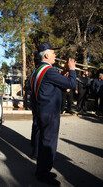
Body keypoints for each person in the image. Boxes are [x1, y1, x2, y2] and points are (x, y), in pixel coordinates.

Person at [30, 42, 76, 186]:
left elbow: (48, 88)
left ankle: (41, 170)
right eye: (53, 53)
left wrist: (62, 74)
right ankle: (44, 173)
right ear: (47, 55)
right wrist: (72, 70)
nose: (55, 55)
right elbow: (71, 84)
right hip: (50, 113)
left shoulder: (37, 70)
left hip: (42, 111)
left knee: (44, 142)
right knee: (49, 143)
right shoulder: (49, 70)